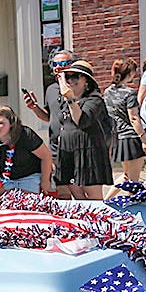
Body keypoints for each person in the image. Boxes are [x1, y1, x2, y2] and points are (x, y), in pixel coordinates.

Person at [54, 60, 114, 200]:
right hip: (68, 151)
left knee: (93, 199)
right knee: (78, 197)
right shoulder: (65, 101)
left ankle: (100, 222)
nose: (71, 80)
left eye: (75, 76)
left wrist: (70, 98)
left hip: (88, 151)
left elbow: (81, 120)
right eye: (68, 77)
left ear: (86, 81)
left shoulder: (94, 100)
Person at [0, 104, 53, 194]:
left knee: (28, 204)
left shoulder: (25, 135)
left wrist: (45, 182)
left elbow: (46, 156)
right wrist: (1, 191)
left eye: (0, 123)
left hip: (29, 177)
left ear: (11, 123)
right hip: (5, 180)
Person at [22, 47, 75, 152]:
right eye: (55, 64)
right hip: (56, 148)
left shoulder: (79, 87)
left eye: (63, 64)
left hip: (76, 146)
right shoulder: (51, 89)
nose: (58, 67)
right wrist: (34, 107)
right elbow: (48, 117)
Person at [103, 58, 146, 184]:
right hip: (131, 136)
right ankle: (130, 203)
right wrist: (144, 140)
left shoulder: (107, 92)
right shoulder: (130, 93)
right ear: (130, 74)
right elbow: (133, 118)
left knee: (126, 176)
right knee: (134, 181)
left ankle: (107, 200)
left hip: (117, 137)